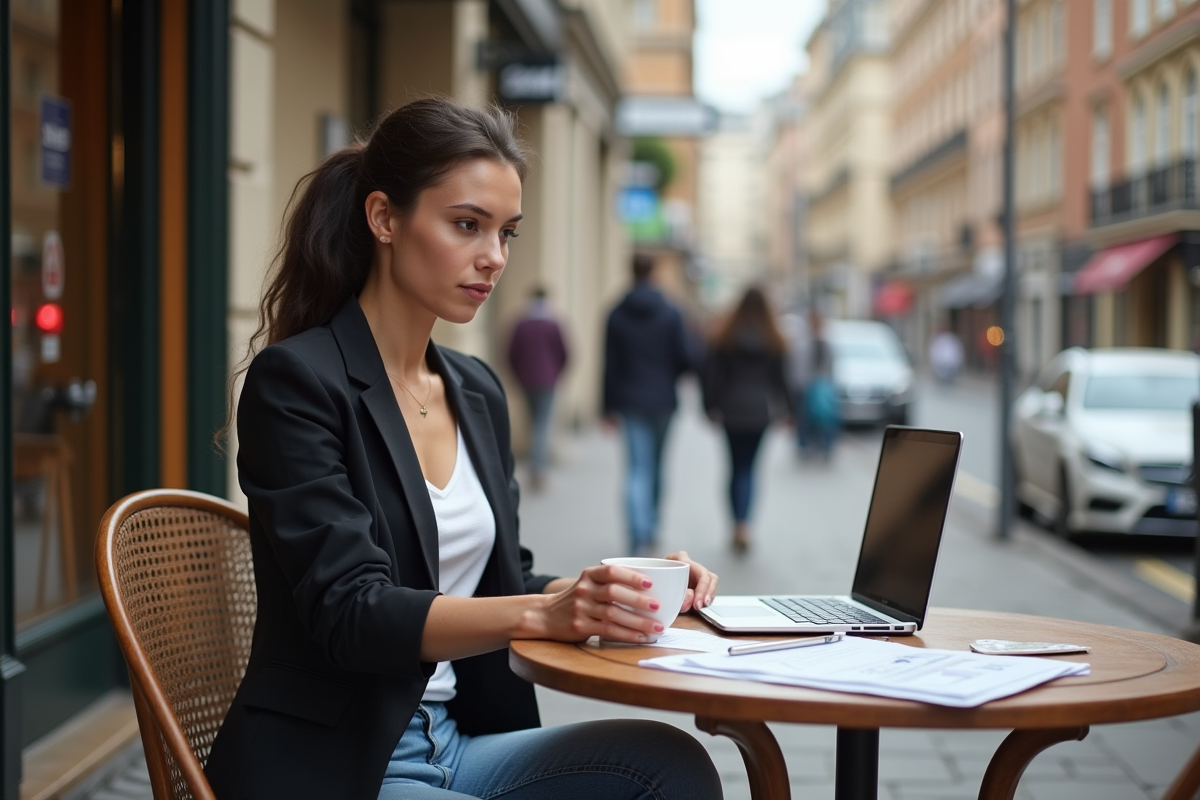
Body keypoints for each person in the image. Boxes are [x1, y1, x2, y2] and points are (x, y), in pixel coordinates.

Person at [205, 98, 722, 800]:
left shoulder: (476, 389)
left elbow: (505, 584)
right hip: (338, 765)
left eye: (506, 232)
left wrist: (616, 591)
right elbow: (351, 614)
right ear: (385, 218)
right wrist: (542, 614)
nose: (494, 258)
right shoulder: (298, 383)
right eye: (467, 225)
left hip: (458, 740)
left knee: (671, 764)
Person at [602, 254, 695, 557]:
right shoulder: (671, 312)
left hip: (629, 400)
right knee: (656, 466)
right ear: (654, 272)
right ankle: (652, 526)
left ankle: (637, 532)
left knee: (636, 468)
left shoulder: (616, 313)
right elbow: (687, 357)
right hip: (663, 399)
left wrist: (607, 407)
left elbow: (609, 365)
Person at [703, 287, 794, 552]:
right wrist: (790, 411)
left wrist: (709, 407)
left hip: (731, 410)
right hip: (759, 413)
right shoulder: (774, 339)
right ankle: (745, 525)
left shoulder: (725, 337)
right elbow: (782, 381)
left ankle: (736, 524)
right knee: (750, 469)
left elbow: (713, 377)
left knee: (734, 468)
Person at [506, 285, 568, 491]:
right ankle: (538, 468)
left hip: (526, 380)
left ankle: (536, 465)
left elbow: (511, 354)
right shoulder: (553, 323)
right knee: (542, 424)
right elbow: (565, 353)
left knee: (534, 422)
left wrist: (517, 376)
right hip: (548, 381)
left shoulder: (521, 324)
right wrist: (557, 374)